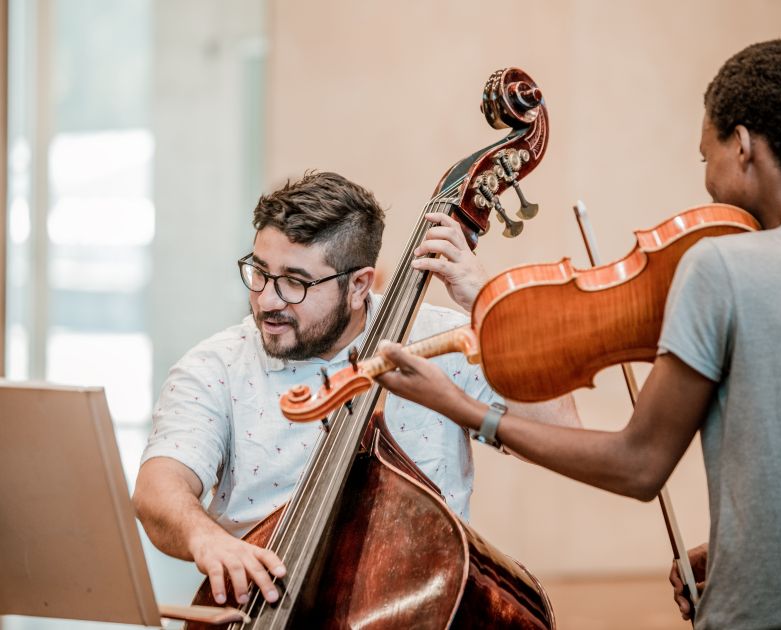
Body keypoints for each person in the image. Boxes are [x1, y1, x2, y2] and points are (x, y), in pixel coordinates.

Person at [375, 39, 781, 629]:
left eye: (705, 157)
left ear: (741, 146)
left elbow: (638, 465)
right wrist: (754, 548)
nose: (708, 182)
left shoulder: (724, 267)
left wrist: (464, 408)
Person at [132, 171, 579, 608]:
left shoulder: (445, 341)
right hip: (263, 609)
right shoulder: (217, 364)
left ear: (359, 285)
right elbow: (158, 488)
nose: (267, 300)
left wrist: (494, 310)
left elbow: (564, 436)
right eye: (259, 273)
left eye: (294, 282)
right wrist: (207, 539)